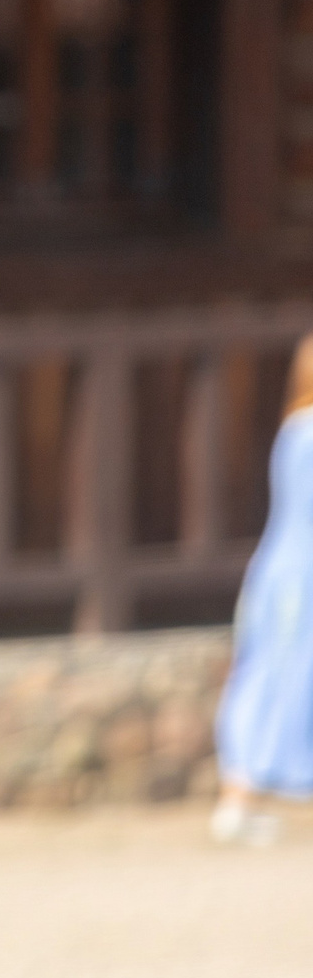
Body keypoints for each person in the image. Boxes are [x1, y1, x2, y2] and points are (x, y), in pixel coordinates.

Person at [211, 334, 313, 845]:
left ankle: (242, 796)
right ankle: (241, 795)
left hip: (282, 575)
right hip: (301, 579)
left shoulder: (294, 428)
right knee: (278, 679)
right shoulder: (308, 434)